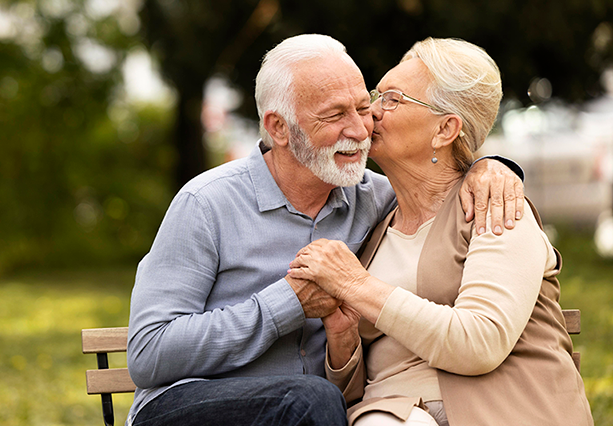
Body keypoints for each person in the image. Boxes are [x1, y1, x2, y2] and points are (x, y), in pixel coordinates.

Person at [126, 34, 524, 426]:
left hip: (317, 413)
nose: (359, 129)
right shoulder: (207, 203)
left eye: (363, 108)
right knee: (308, 398)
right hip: (189, 405)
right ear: (279, 128)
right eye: (335, 116)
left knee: (314, 401)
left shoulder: (377, 200)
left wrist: (490, 167)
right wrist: (288, 303)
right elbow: (148, 353)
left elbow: (437, 176)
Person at [287, 37, 594, 426]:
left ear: (445, 129)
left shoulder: (494, 210)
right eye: (376, 95)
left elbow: (479, 343)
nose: (370, 112)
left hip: (501, 412)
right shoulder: (374, 221)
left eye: (392, 99)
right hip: (387, 414)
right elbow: (350, 394)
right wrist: (344, 340)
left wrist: (356, 286)